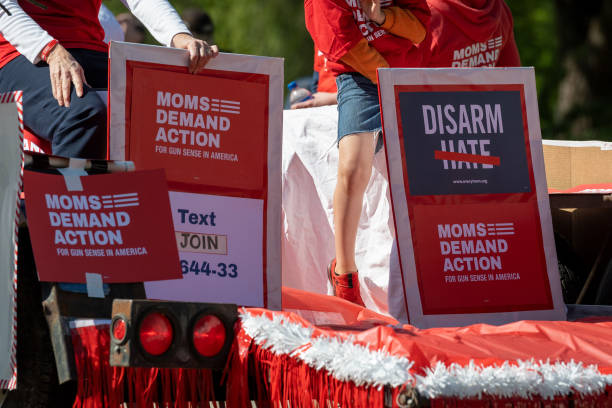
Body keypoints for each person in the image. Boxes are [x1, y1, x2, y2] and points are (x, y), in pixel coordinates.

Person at [305, 0, 430, 306]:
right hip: (360, 77)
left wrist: (382, 16)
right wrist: (388, 79)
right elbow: (343, 44)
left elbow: (421, 30)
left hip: (408, 72)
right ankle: (345, 271)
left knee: (432, 164)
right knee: (353, 166)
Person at [0, 0, 218, 160]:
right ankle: (67, 216)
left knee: (165, 114)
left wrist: (179, 35)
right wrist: (49, 49)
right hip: (17, 51)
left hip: (88, 47)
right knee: (82, 113)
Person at [420, 0, 520, 68]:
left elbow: (407, 87)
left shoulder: (426, 18)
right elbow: (516, 84)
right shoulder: (499, 11)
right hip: (487, 99)